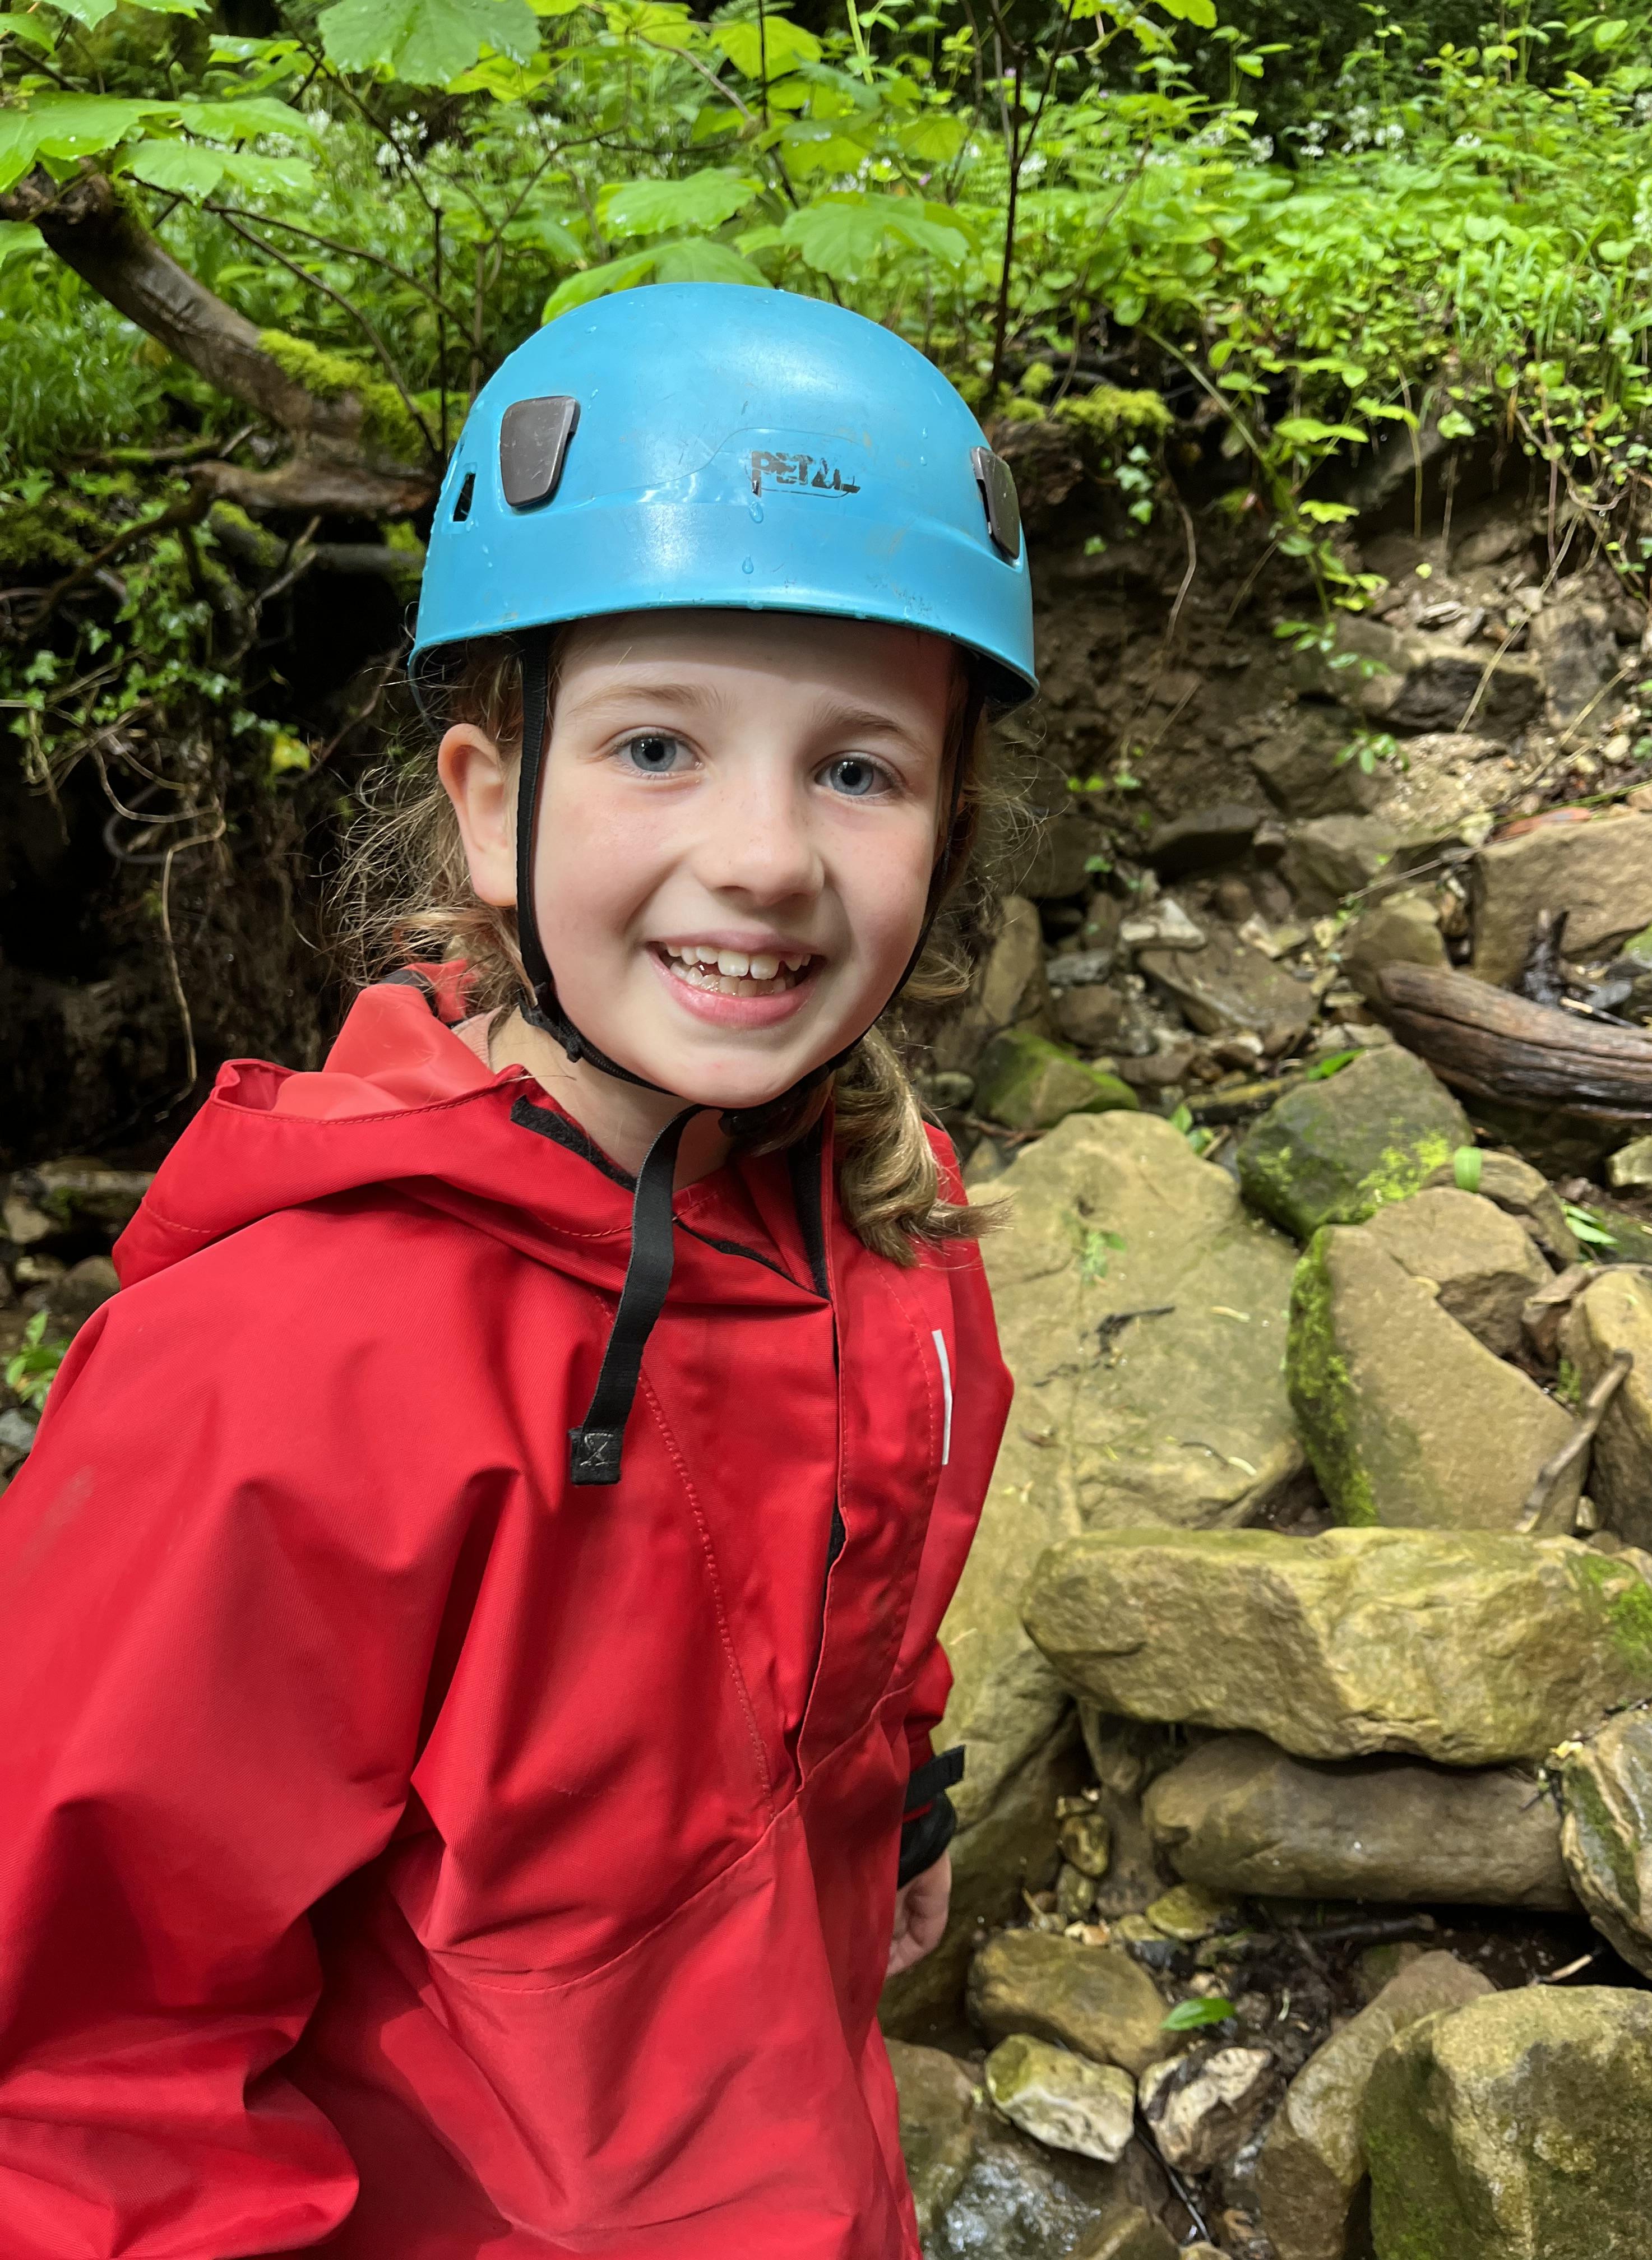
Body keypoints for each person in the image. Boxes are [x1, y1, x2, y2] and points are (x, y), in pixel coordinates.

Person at [0, 283, 1036, 2258]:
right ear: (491, 806)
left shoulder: (889, 1235)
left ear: (947, 832)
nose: (764, 857)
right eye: (657, 745)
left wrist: (893, 1795)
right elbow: (70, 2073)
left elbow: (866, 1620)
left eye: (860, 772)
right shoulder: (280, 1366)